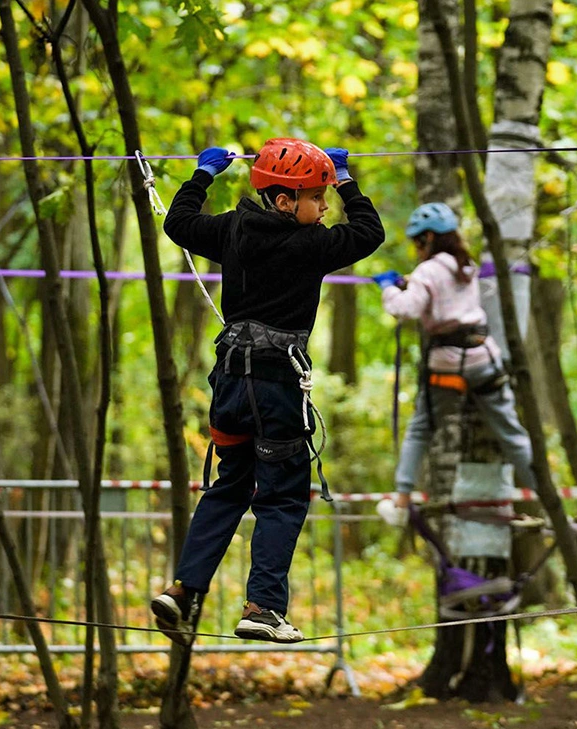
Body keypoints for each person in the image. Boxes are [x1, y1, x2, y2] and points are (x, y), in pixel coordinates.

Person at [153, 138, 384, 644]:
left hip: (230, 385)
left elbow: (178, 223)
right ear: (284, 202)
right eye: (317, 197)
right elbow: (370, 231)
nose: (324, 207)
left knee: (230, 486)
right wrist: (346, 178)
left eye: (327, 196)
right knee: (280, 496)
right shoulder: (313, 245)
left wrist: (201, 175)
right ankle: (262, 608)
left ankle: (184, 591)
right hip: (277, 389)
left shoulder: (233, 230)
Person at [374, 201, 539, 511]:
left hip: (447, 366)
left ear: (429, 239)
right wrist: (410, 283)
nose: (416, 249)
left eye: (417, 242)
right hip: (483, 359)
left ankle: (402, 497)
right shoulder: (465, 265)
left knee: (422, 429)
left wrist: (389, 288)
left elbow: (404, 309)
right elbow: (445, 294)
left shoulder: (428, 270)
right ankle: (544, 492)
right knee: (511, 431)